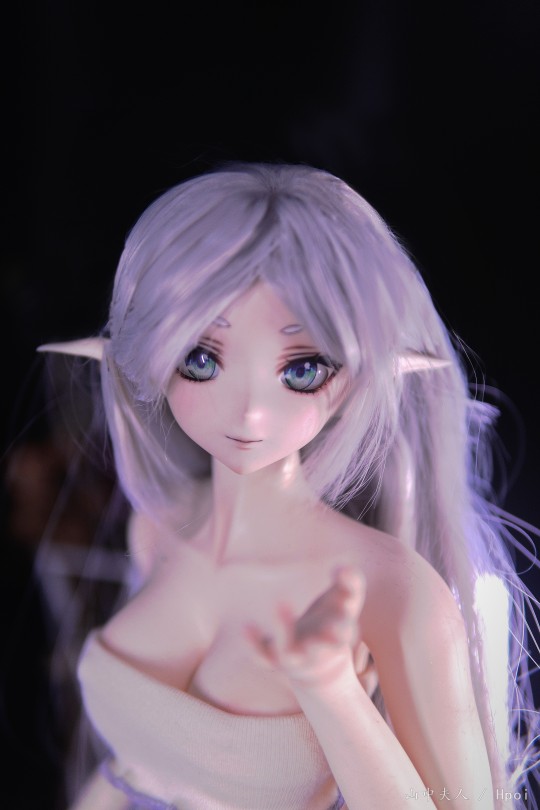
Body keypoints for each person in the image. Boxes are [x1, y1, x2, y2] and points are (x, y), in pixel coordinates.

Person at [40, 163, 539, 809]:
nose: (249, 412)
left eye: (302, 369)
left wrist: (333, 693)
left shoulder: (391, 587)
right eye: (200, 360)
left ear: (362, 375)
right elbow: (130, 772)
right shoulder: (158, 531)